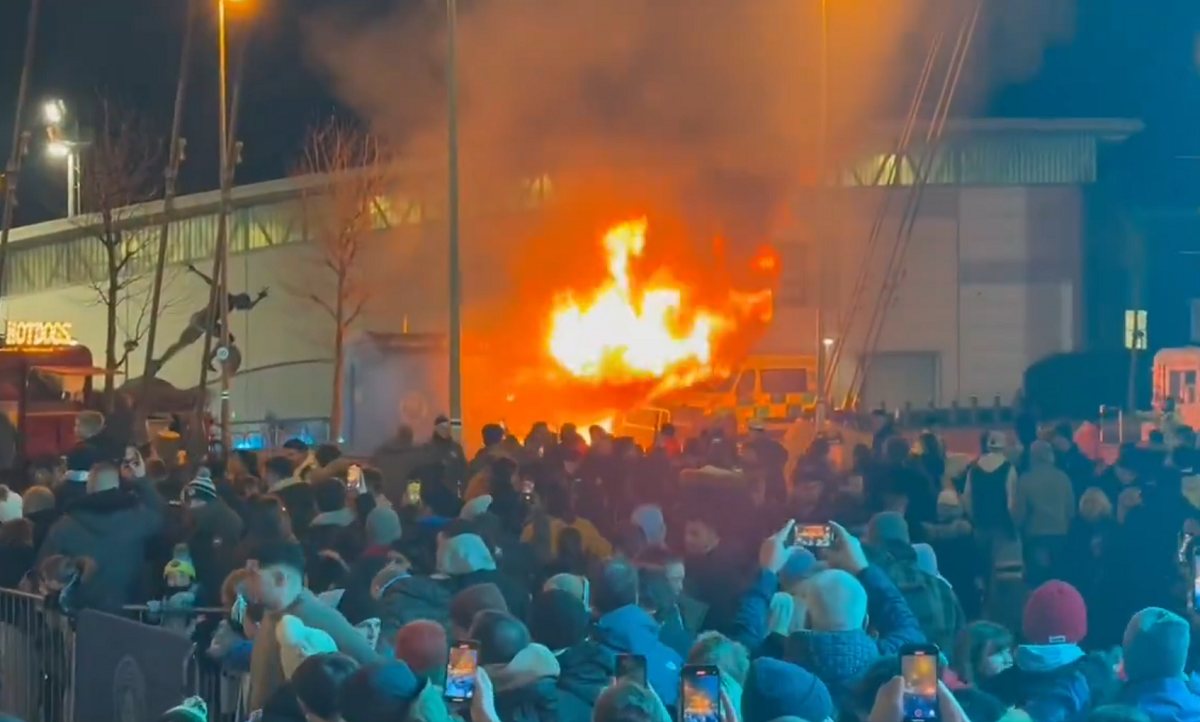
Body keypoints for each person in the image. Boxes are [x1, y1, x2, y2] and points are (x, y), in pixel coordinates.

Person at [244, 539, 379, 709]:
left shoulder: (316, 616)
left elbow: (371, 664)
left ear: (280, 579)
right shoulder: (271, 612)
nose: (246, 583)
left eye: (252, 575)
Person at [38, 450, 165, 611]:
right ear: (117, 485)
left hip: (80, 617)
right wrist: (141, 479)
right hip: (127, 616)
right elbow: (160, 515)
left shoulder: (64, 525)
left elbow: (44, 568)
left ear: (89, 487)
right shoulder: (137, 520)